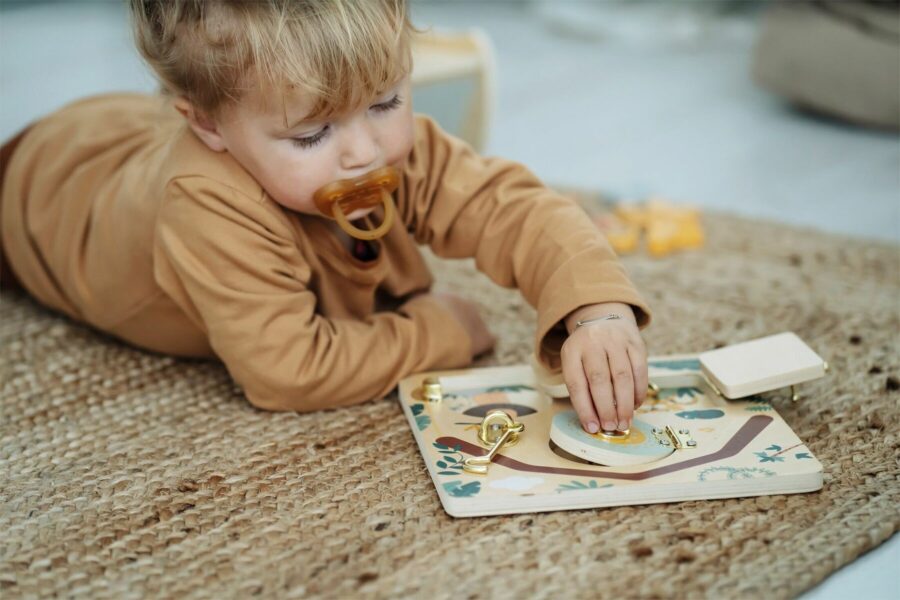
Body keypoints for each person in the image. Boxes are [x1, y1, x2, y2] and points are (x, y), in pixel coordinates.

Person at [0, 0, 651, 435]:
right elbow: (286, 370)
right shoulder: (203, 201)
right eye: (312, 135)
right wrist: (438, 330)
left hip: (127, 127)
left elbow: (506, 207)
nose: (365, 152)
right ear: (208, 125)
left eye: (386, 100)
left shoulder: (359, 139)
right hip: (38, 193)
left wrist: (594, 308)